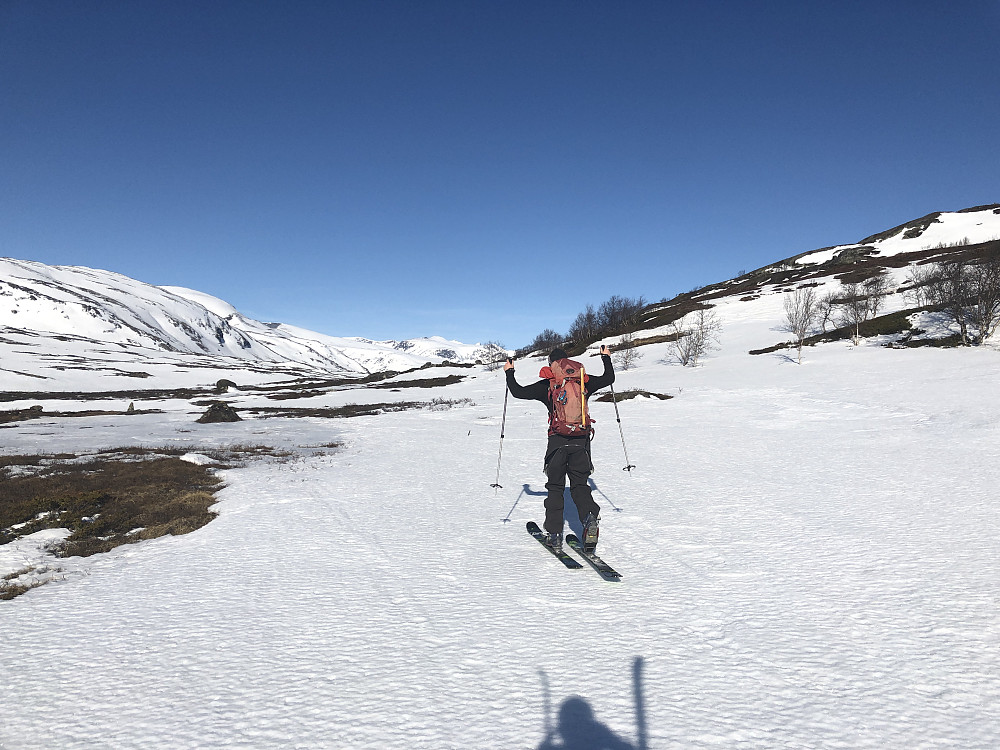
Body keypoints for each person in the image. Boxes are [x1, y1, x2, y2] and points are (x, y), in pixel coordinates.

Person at [504, 344, 615, 552]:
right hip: (581, 442)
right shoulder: (583, 381)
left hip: (557, 442)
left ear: (551, 365)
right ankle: (589, 518)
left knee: (555, 487)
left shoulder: (547, 384)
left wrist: (509, 372)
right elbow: (609, 378)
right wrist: (605, 357)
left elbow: (517, 392)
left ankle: (554, 535)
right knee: (580, 486)